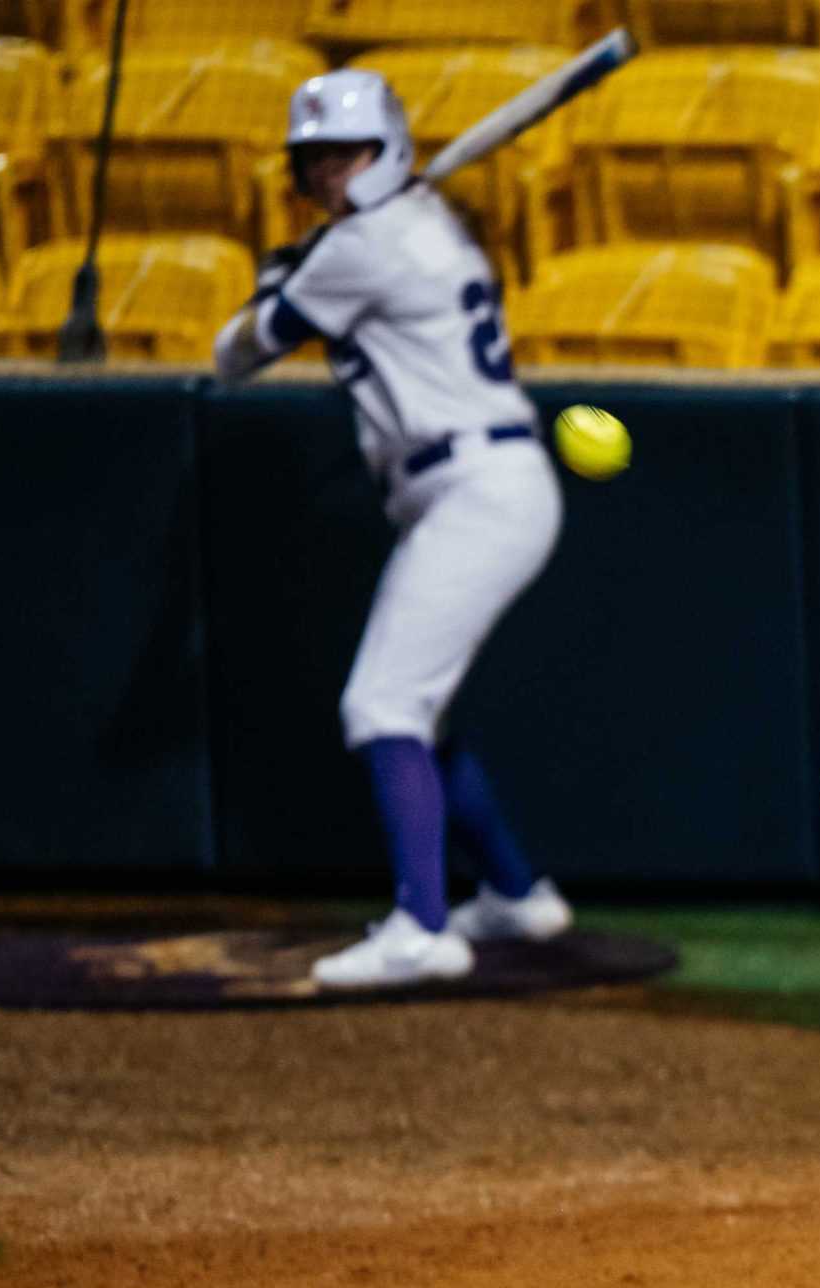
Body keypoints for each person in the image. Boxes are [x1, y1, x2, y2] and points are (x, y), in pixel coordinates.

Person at [212, 71, 573, 991]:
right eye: (318, 160)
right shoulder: (419, 227)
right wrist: (306, 269)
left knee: (382, 705)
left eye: (350, 154)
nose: (334, 174)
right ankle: (515, 893)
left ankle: (420, 925)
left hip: (474, 487)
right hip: (475, 485)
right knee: (421, 709)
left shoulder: (362, 247)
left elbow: (233, 357)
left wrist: (280, 284)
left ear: (391, 150)